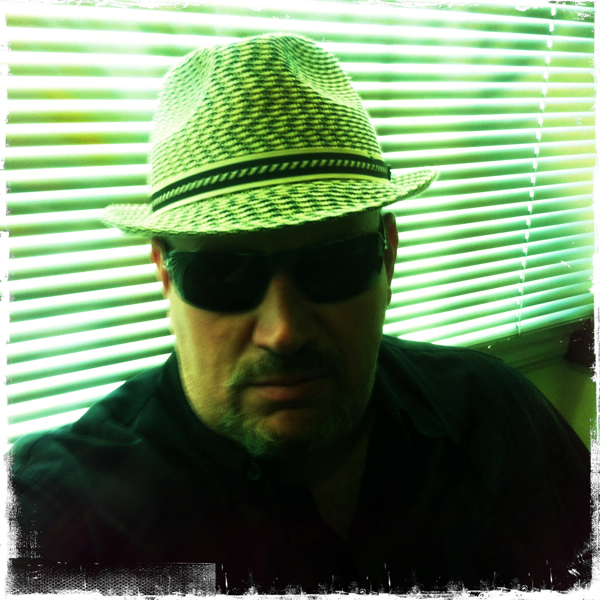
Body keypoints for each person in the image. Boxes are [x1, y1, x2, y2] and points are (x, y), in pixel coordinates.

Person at [10, 33, 590, 594]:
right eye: (224, 275)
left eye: (333, 264)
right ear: (165, 273)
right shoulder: (54, 519)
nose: (283, 332)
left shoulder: (500, 423)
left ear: (388, 256)